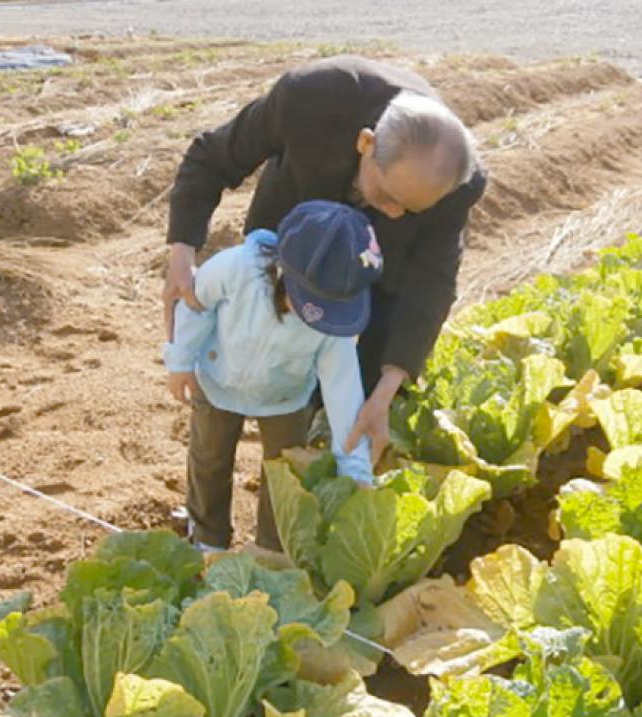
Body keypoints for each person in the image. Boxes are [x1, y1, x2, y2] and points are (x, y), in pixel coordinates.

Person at [164, 55, 485, 466]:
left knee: (357, 388)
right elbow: (212, 158)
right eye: (387, 195)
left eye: (412, 210)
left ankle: (306, 469)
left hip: (378, 270)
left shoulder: (458, 183)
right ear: (366, 143)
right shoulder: (311, 99)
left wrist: (387, 386)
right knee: (247, 337)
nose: (393, 213)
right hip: (288, 239)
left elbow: (432, 283)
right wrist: (181, 252)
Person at [164, 201, 382, 553]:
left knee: (284, 474)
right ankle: (207, 538)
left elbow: (344, 391)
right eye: (315, 303)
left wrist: (355, 468)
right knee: (209, 459)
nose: (322, 316)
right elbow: (195, 303)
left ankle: (271, 548)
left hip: (287, 396)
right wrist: (180, 360)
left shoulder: (333, 328)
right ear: (285, 271)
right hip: (217, 379)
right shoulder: (236, 268)